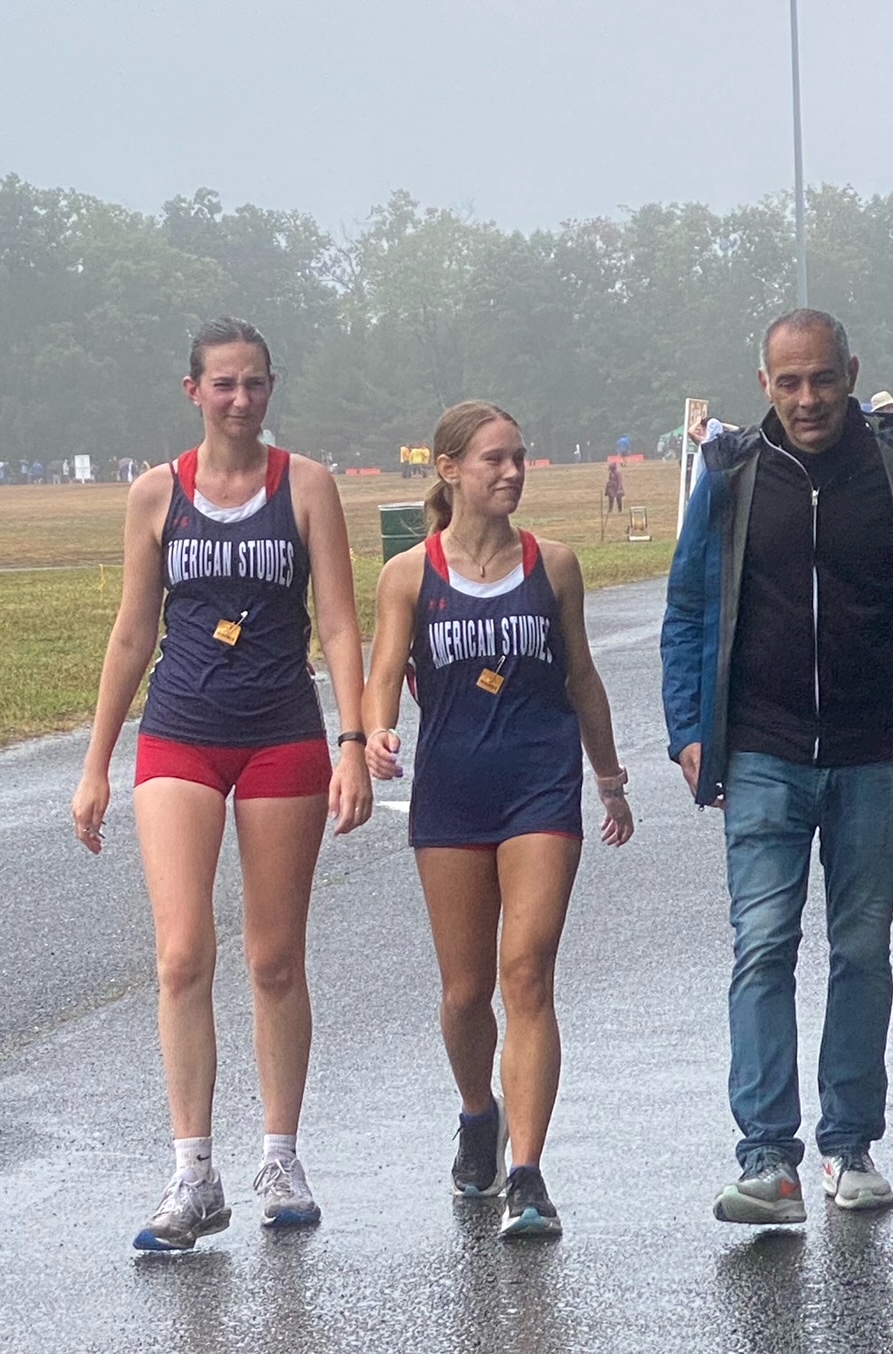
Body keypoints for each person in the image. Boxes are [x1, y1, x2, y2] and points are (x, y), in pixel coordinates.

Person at [661, 308, 893, 1224]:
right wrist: (688, 726)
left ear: (851, 371)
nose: (807, 399)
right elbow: (688, 607)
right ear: (763, 384)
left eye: (822, 379)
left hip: (871, 753)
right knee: (762, 948)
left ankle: (850, 1147)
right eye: (788, 382)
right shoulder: (729, 476)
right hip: (761, 750)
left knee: (860, 950)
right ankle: (767, 1159)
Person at [70, 316, 373, 1251]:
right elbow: (132, 633)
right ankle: (192, 1172)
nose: (241, 400)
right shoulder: (157, 493)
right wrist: (96, 763)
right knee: (179, 956)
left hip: (282, 738)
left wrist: (353, 740)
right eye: (223, 385)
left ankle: (280, 1155)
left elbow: (338, 624)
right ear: (193, 392)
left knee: (275, 958)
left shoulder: (309, 488)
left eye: (255, 384)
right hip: (180, 740)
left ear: (271, 388)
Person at [364, 400, 634, 1239]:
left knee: (527, 972)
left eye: (518, 457)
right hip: (451, 795)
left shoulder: (553, 565)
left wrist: (610, 777)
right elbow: (382, 671)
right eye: (494, 460)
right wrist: (376, 731)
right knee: (464, 991)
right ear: (449, 470)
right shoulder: (411, 574)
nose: (512, 472)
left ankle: (527, 1171)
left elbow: (582, 676)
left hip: (539, 791)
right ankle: (477, 1114)